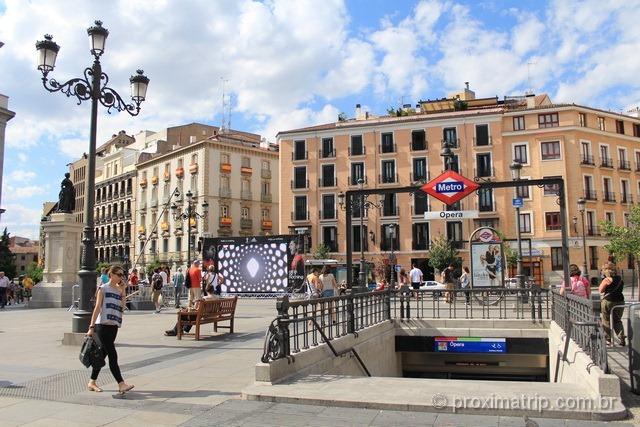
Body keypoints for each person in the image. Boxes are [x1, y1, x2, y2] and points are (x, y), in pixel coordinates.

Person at [86, 265, 134, 394]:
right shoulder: (103, 288)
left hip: (114, 325)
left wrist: (123, 291)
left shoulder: (119, 290)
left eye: (122, 275)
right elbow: (97, 308)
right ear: (111, 275)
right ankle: (121, 384)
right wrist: (91, 327)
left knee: (103, 354)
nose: (121, 277)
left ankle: (92, 381)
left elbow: (122, 308)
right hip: (102, 325)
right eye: (118, 274)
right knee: (112, 354)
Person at [599, 262, 625, 346]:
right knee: (617, 320)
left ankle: (608, 339)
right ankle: (621, 337)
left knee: (606, 320)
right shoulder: (620, 279)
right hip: (620, 301)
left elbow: (601, 290)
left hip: (608, 301)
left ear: (605, 271)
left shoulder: (607, 280)